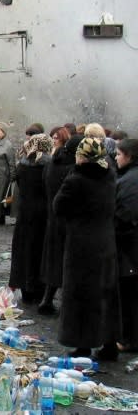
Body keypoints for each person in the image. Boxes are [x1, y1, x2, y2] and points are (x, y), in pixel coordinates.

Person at [53, 137, 120, 359]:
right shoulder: (109, 174)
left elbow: (59, 206)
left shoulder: (77, 178)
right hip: (106, 239)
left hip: (82, 243)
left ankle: (83, 344)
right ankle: (109, 343)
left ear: (82, 155)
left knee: (81, 294)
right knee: (106, 292)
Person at [9, 134, 53, 303]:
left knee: (23, 249)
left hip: (25, 210)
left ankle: (24, 286)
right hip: (42, 212)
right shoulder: (47, 164)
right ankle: (37, 288)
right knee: (38, 250)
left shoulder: (23, 164)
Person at [39, 128, 77, 314]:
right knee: (65, 262)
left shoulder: (51, 164)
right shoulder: (72, 169)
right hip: (67, 221)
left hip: (51, 218)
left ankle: (47, 298)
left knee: (52, 259)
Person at [115, 138, 138, 353]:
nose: (115, 157)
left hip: (130, 247)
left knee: (129, 295)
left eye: (119, 154)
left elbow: (125, 216)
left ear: (129, 156)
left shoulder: (130, 181)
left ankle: (130, 339)